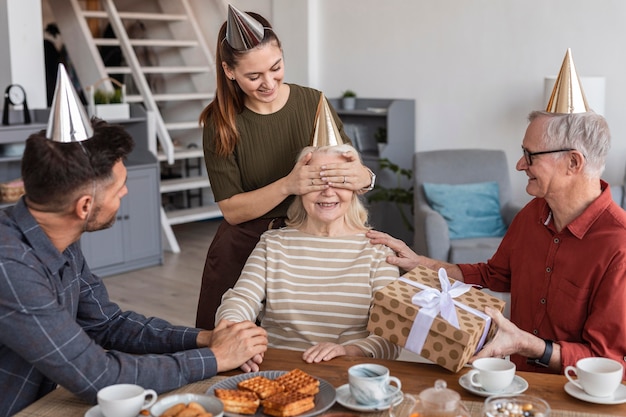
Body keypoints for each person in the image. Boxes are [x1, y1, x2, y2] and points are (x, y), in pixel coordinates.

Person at [0, 65, 267, 417]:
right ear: (84, 207)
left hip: (44, 397)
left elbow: (107, 324)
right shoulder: (11, 266)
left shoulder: (56, 236)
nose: (126, 191)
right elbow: (100, 376)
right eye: (118, 187)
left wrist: (203, 338)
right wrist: (215, 357)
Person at [368, 50, 626, 377]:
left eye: (530, 156)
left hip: (572, 395)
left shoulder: (618, 245)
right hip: (515, 382)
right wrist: (424, 264)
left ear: (573, 163)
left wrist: (531, 345)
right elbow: (495, 275)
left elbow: (609, 361)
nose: (520, 165)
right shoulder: (532, 215)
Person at [196, 5, 375, 329]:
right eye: (254, 76)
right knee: (229, 347)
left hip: (308, 241)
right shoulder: (220, 123)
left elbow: (350, 169)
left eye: (276, 68)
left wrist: (364, 177)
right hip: (243, 247)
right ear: (229, 70)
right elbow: (233, 211)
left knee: (304, 346)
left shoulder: (313, 102)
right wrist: (289, 184)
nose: (268, 82)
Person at [216, 144, 400, 364]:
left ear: (355, 187)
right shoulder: (272, 243)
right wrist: (236, 338)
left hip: (347, 372)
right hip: (276, 366)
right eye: (316, 181)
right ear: (299, 187)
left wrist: (350, 351)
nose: (328, 191)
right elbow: (240, 301)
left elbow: (392, 336)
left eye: (340, 181)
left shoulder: (378, 250)